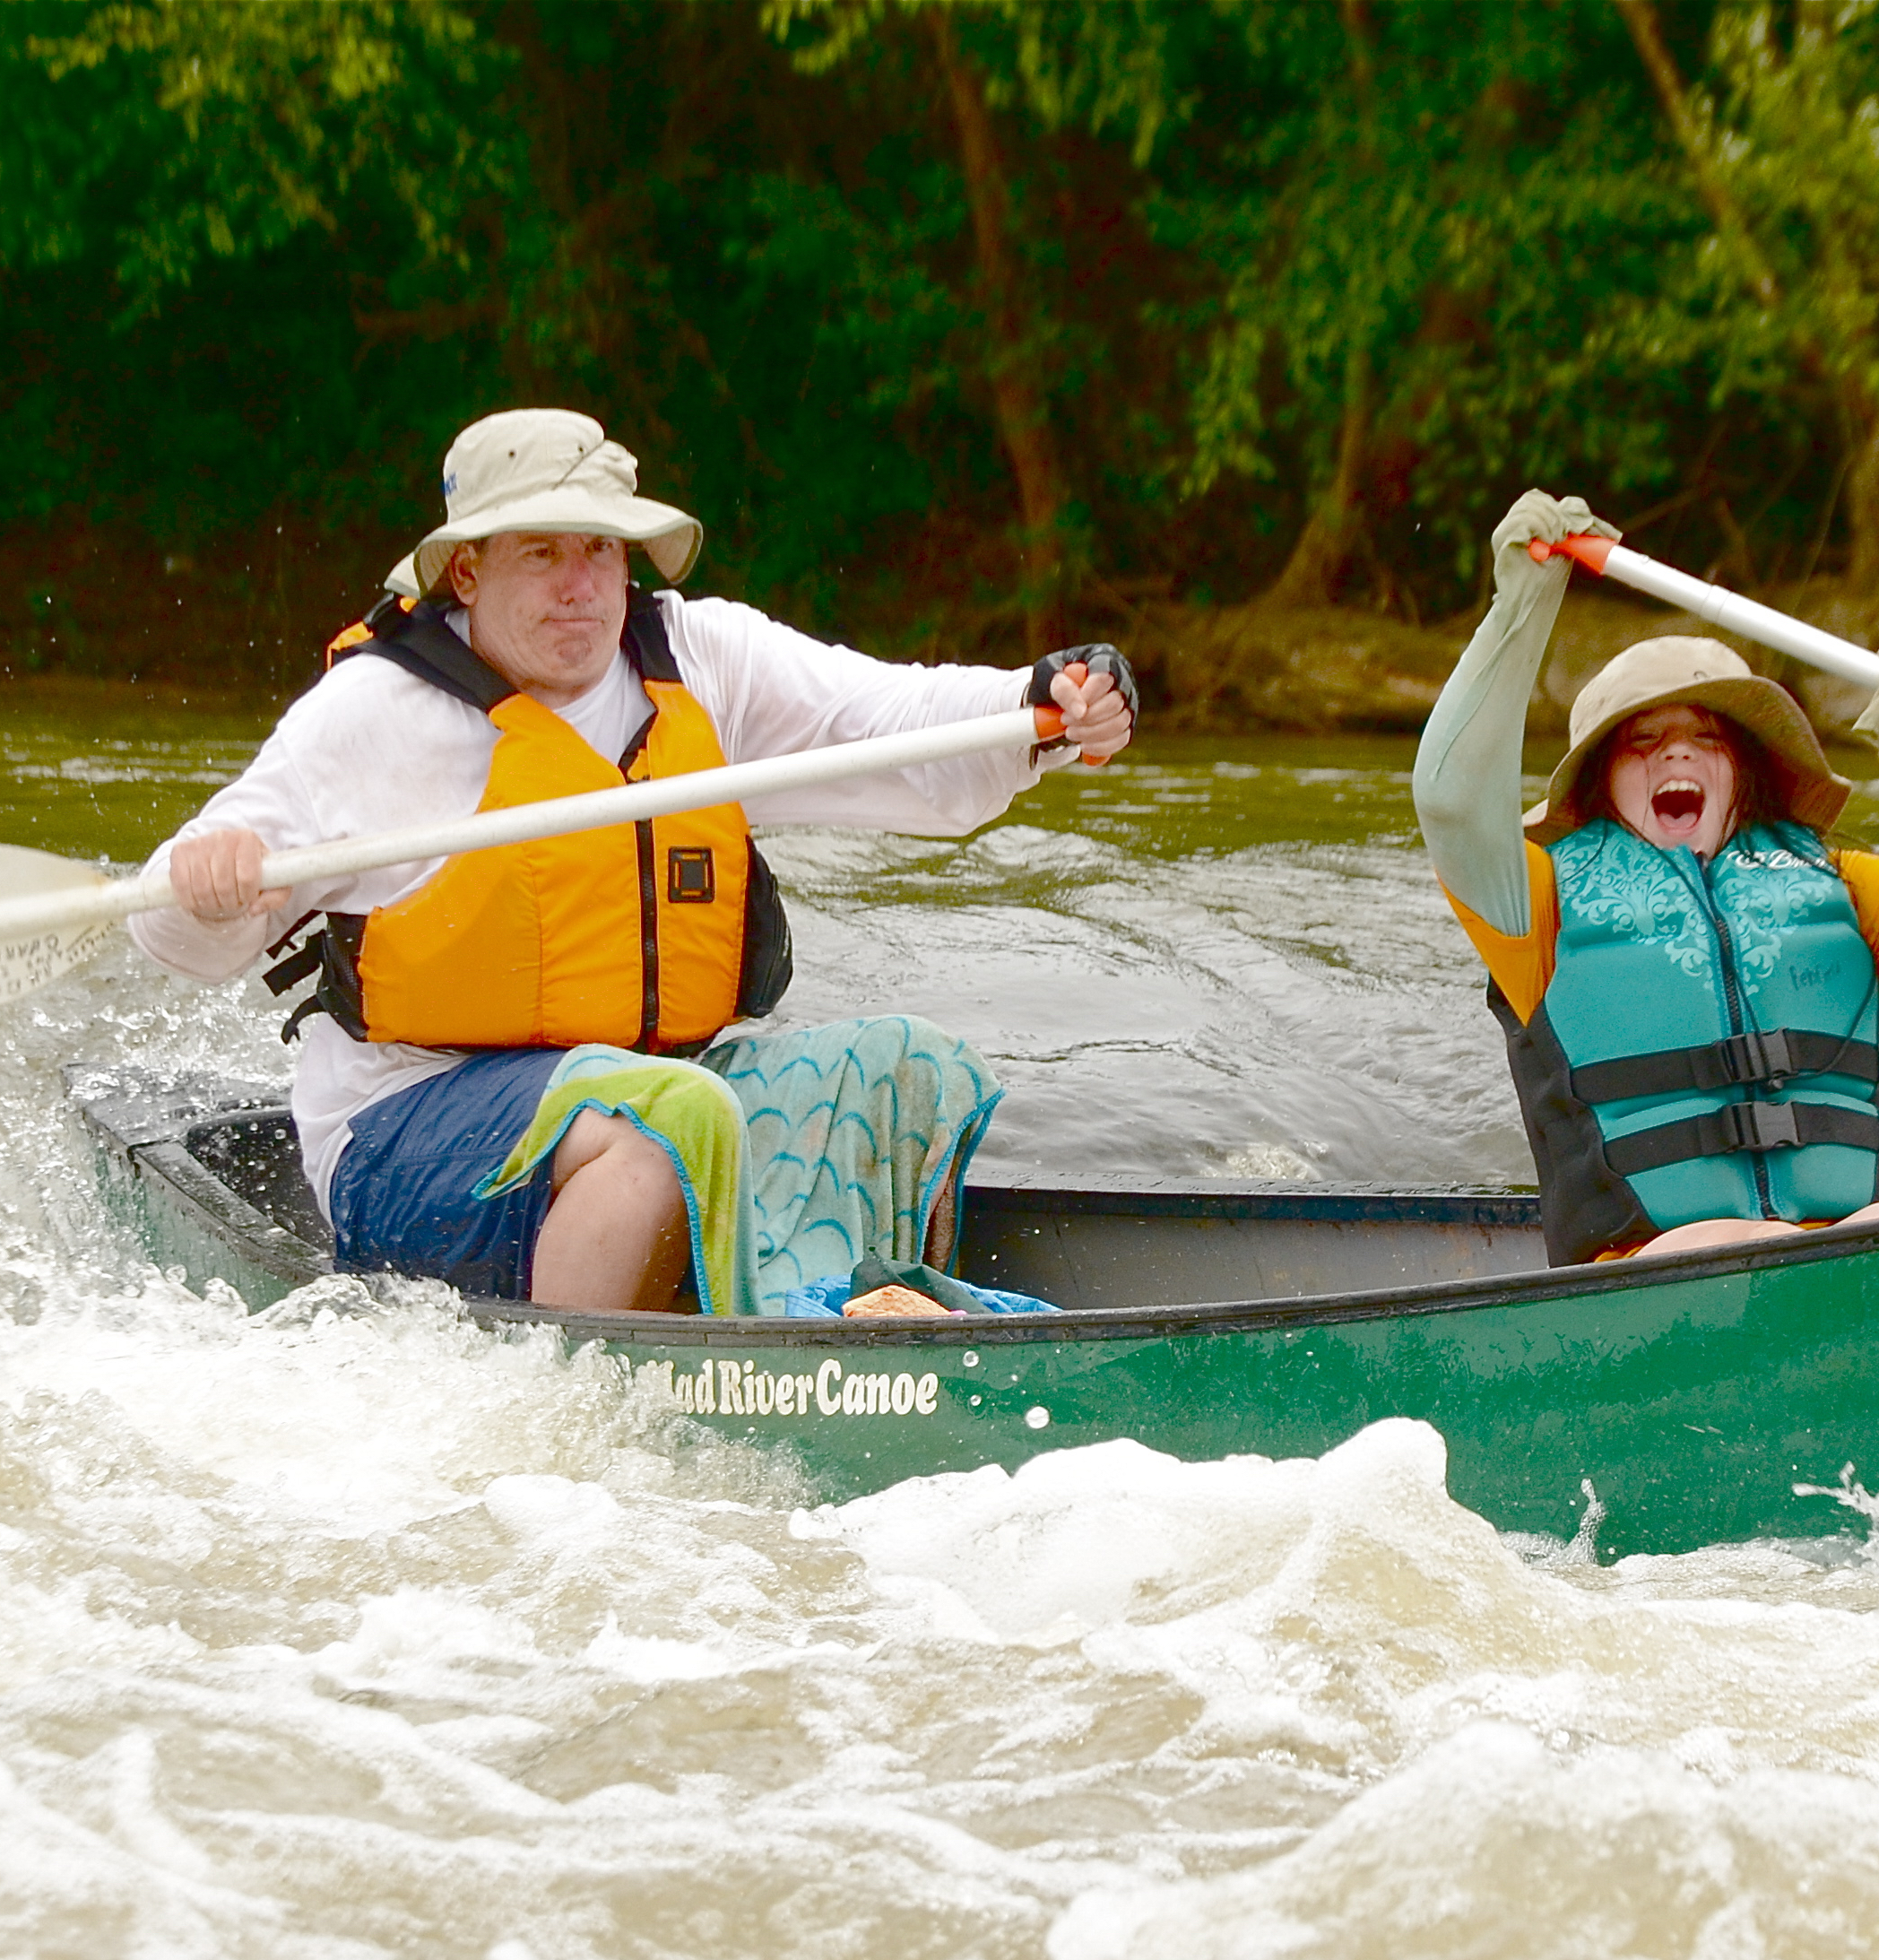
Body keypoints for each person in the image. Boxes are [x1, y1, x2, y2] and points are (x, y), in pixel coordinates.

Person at [129, 408, 1137, 1316]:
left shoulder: (701, 661)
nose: (579, 587)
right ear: (467, 573)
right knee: (661, 1118)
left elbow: (897, 724)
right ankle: (591, 1401)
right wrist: (212, 884)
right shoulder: (370, 717)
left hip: (640, 1092)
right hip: (404, 1131)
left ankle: (863, 1342)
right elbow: (177, 933)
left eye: (600, 551)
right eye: (541, 554)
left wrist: (1041, 704)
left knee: (906, 1065)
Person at [1413, 492, 1879, 1267]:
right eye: (1643, 740)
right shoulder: (1538, 899)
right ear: (1599, 783)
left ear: (1745, 773)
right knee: (1735, 1240)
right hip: (1647, 1275)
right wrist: (1521, 609)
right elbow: (1451, 801)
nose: (1677, 754)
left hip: (1849, 1250)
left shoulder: (1837, 883)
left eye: (1708, 739)